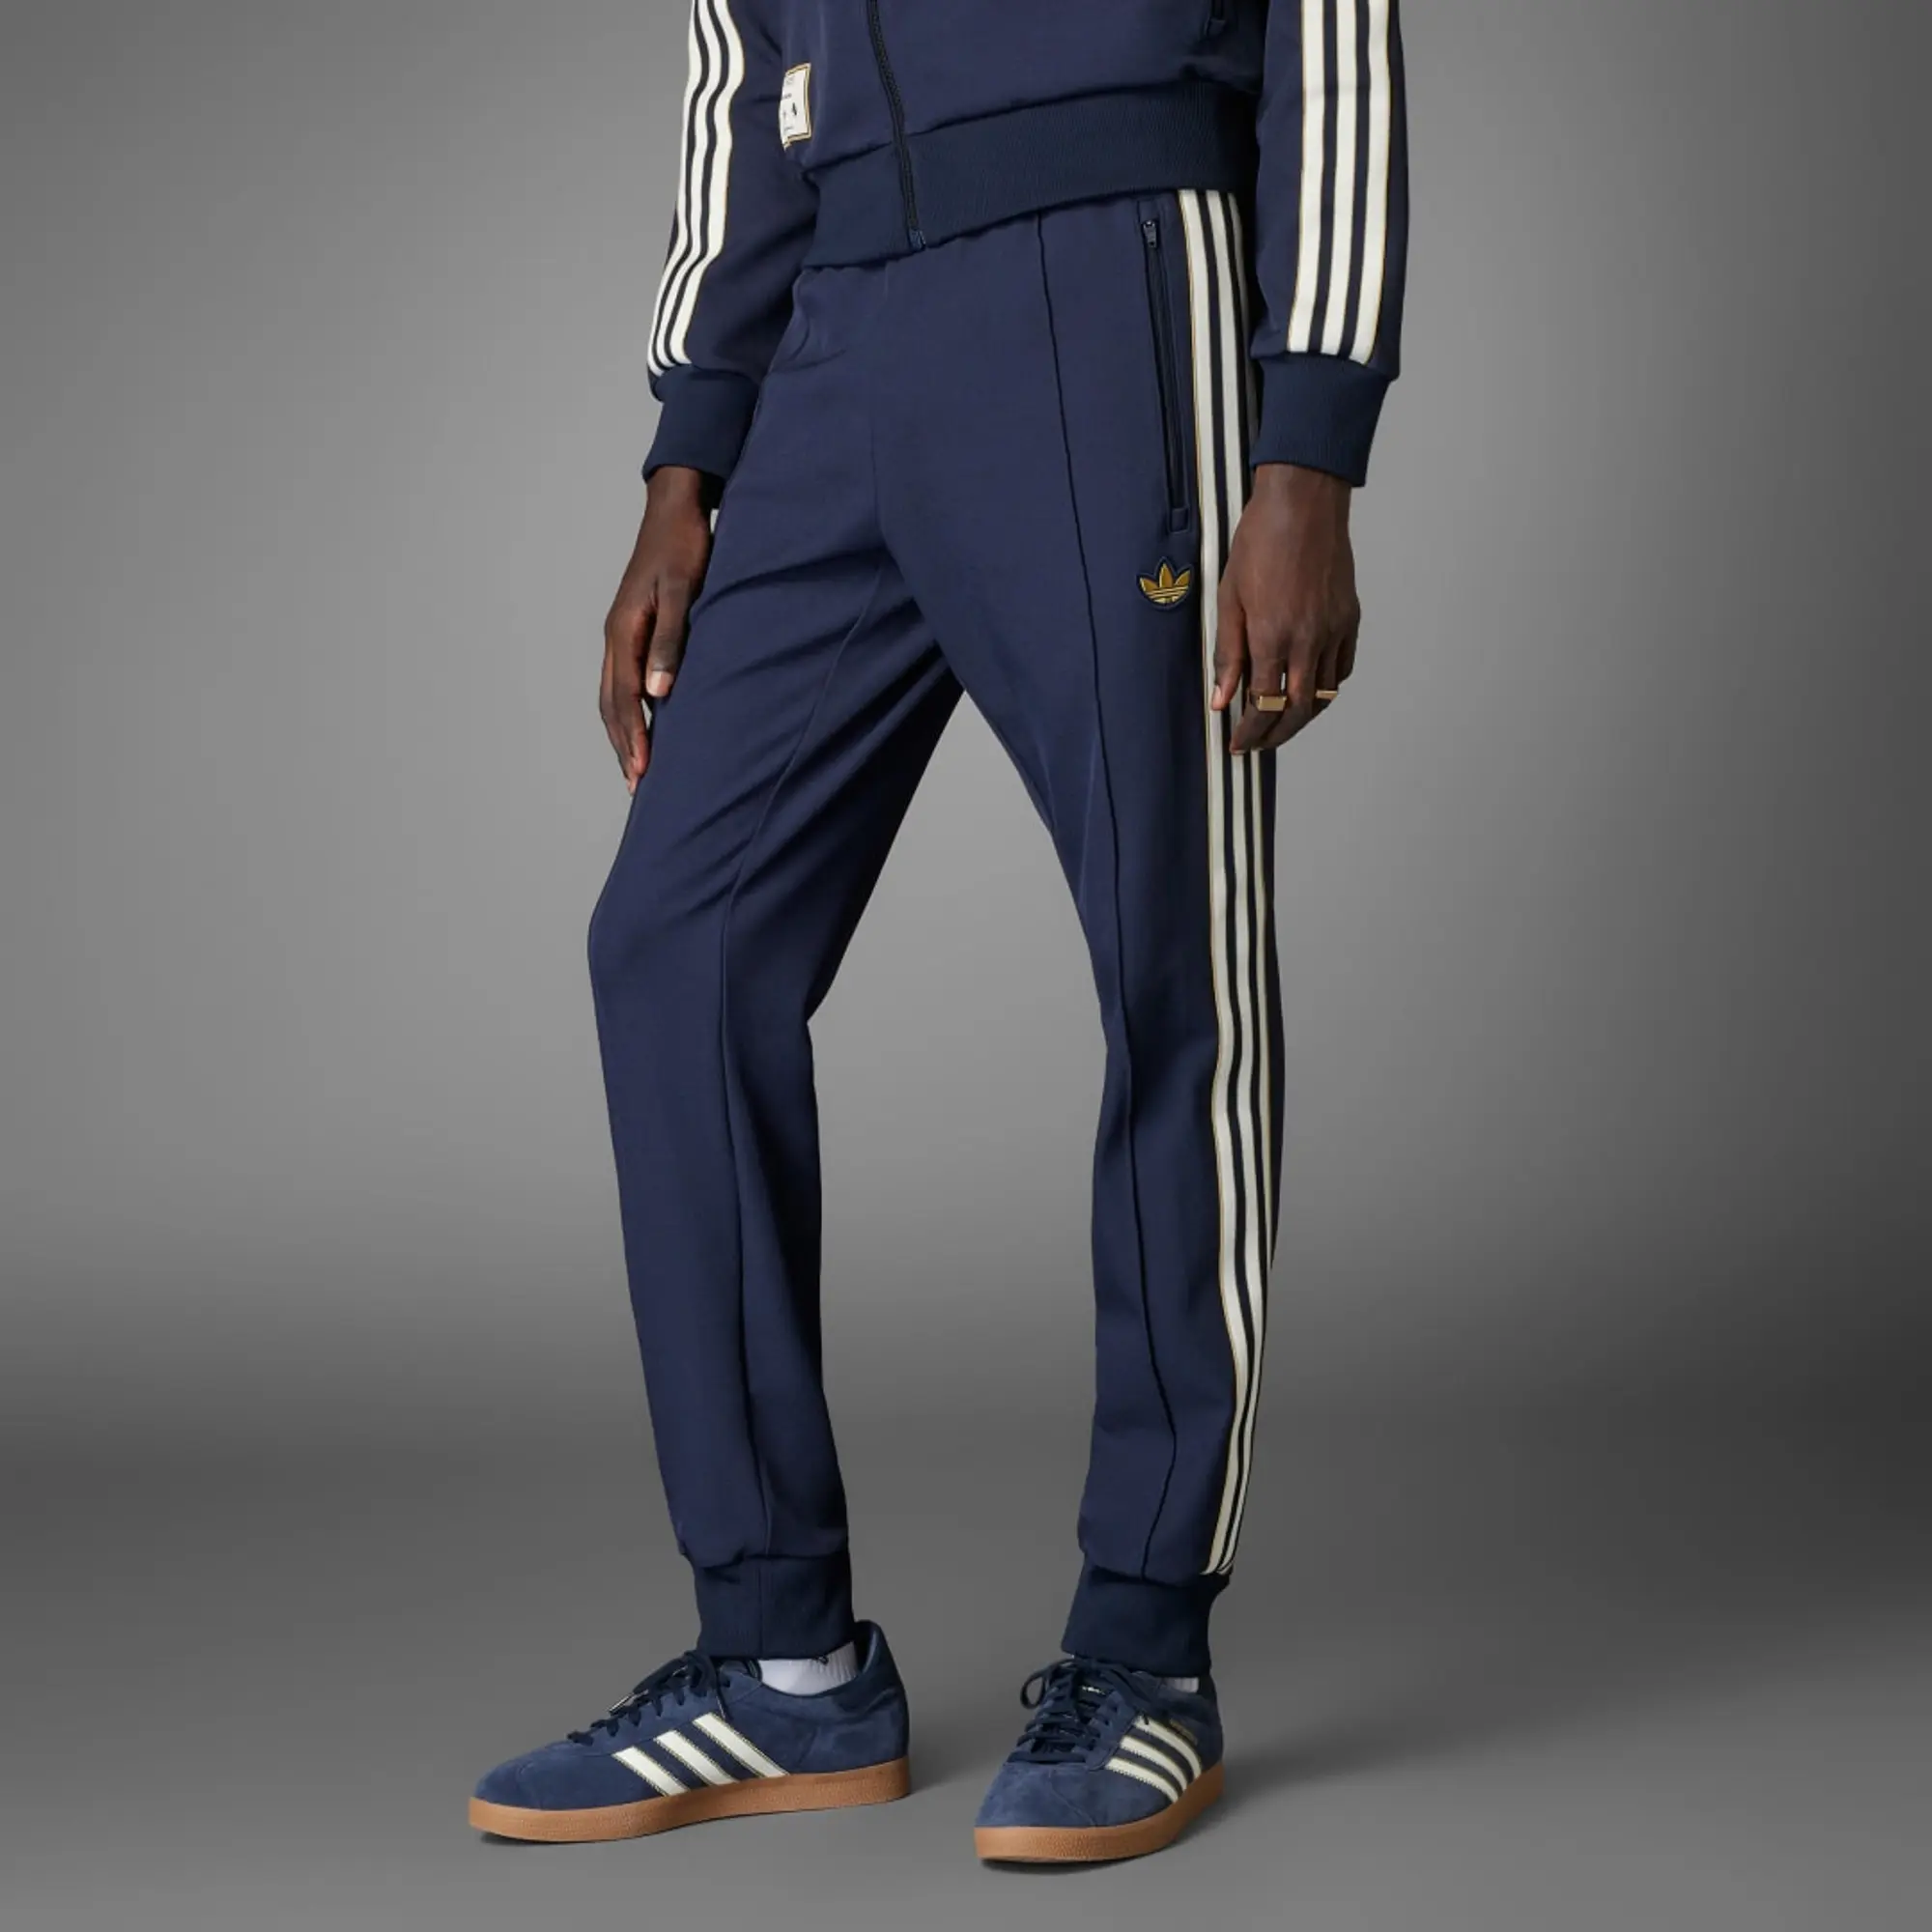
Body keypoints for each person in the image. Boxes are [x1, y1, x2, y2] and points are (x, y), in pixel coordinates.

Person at [471, 0, 1406, 1865]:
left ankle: (1144, 1646)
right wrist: (686, 453)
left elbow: (1340, 27)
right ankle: (782, 1656)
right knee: (677, 943)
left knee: (1173, 960)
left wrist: (1308, 441)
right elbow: (737, 65)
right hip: (837, 327)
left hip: (1112, 274)